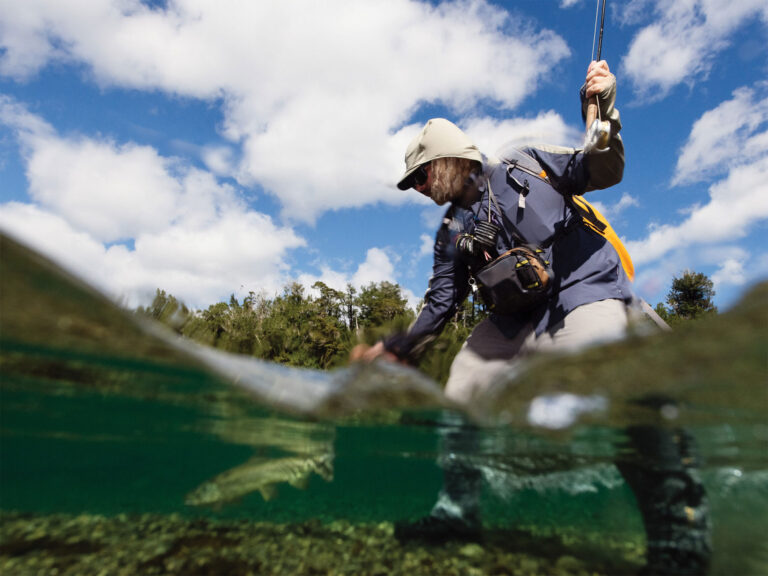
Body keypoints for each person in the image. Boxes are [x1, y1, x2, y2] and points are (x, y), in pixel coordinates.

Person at [355, 60, 711, 574]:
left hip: (584, 291)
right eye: (411, 182)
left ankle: (677, 535)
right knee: (463, 386)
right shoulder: (450, 232)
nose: (417, 188)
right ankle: (457, 512)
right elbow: (440, 303)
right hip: (515, 321)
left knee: (610, 391)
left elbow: (602, 168)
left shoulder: (524, 163)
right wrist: (395, 348)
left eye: (421, 175)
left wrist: (605, 112)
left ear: (451, 160)